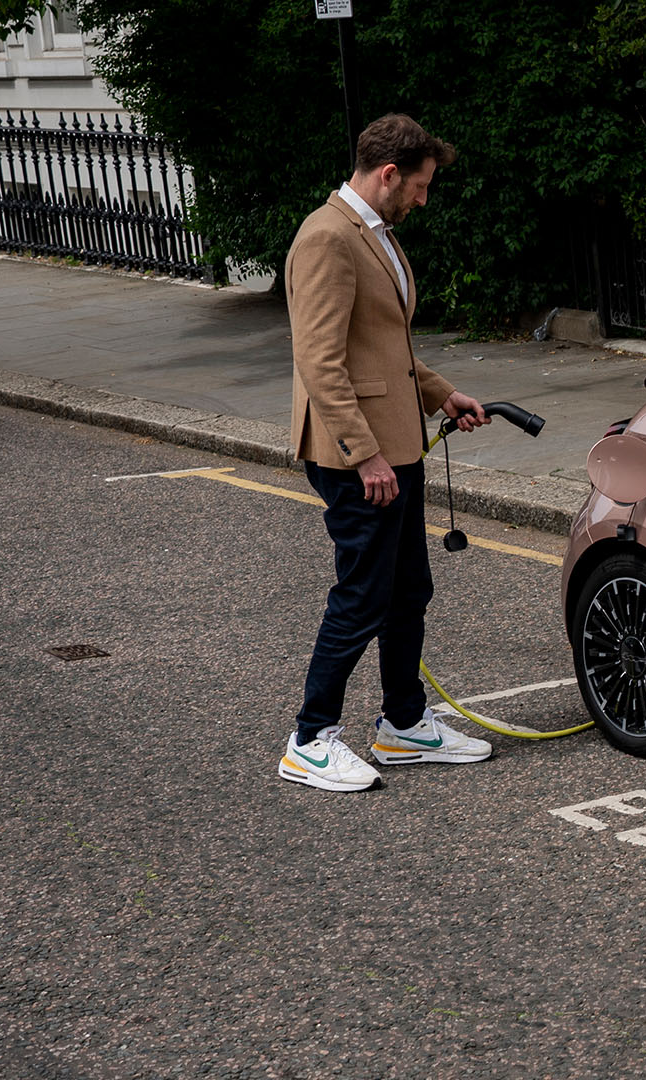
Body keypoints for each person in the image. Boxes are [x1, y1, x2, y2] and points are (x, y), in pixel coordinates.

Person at [278, 113, 493, 792]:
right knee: (362, 597)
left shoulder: (374, 236)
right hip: (356, 457)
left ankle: (402, 726)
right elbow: (321, 361)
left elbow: (384, 347)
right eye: (420, 186)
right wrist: (364, 454)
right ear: (388, 174)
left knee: (408, 590)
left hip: (394, 444)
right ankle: (310, 739)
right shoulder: (327, 239)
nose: (423, 200)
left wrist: (441, 394)